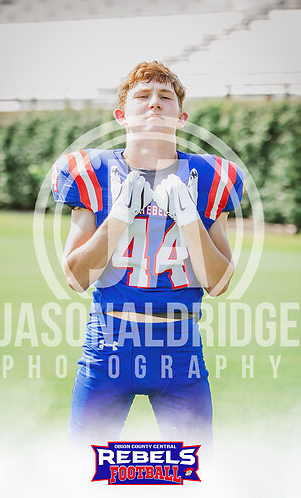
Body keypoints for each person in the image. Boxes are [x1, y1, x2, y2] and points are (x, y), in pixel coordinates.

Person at [52, 61, 244, 446]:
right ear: (121, 116)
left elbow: (218, 283)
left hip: (181, 349)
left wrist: (189, 219)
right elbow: (76, 278)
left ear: (182, 118)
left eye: (165, 96)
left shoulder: (209, 177)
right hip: (108, 345)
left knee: (194, 469)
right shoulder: (93, 172)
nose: (154, 102)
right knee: (83, 467)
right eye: (142, 96)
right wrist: (118, 216)